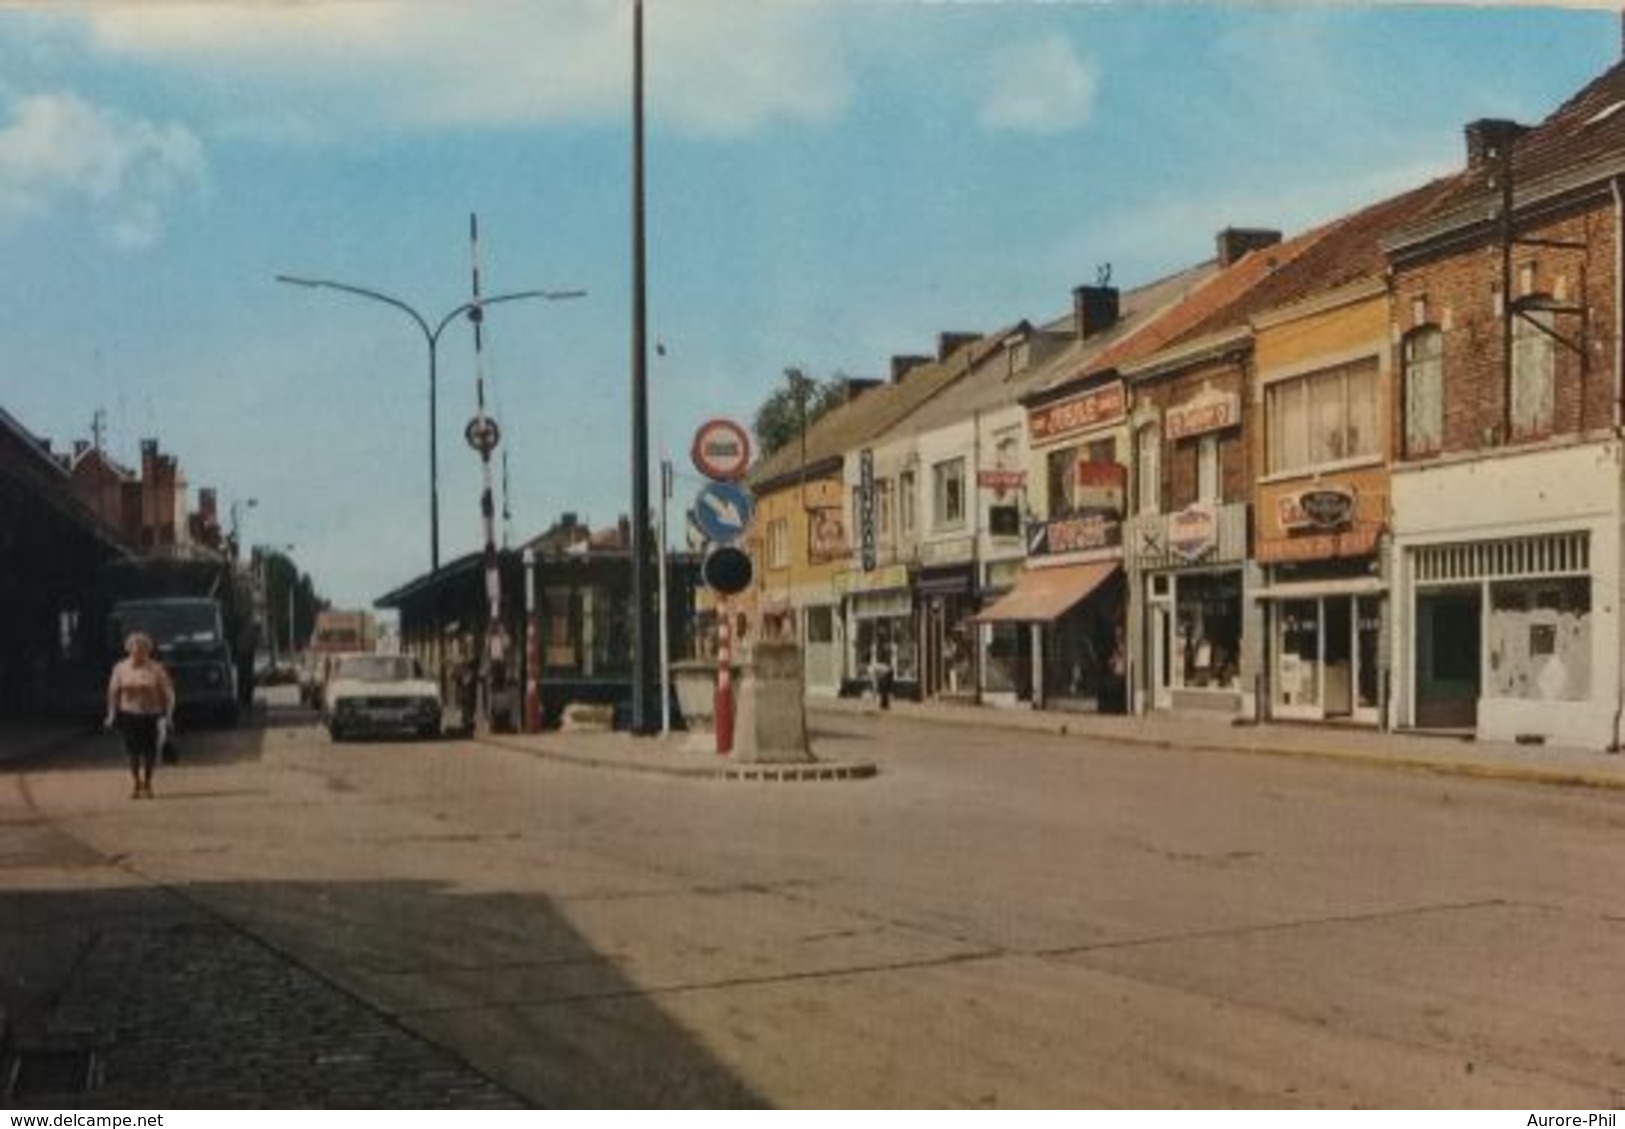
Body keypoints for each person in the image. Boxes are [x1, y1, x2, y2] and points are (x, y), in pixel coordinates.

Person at [105, 631, 176, 800]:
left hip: (152, 715)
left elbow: (169, 694)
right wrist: (111, 714)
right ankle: (136, 782)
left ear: (148, 650)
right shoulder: (120, 668)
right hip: (129, 715)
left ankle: (148, 782)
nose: (139, 653)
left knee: (150, 752)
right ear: (129, 650)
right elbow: (113, 693)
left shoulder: (156, 668)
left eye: (143, 649)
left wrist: (169, 715)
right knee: (133, 752)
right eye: (135, 649)